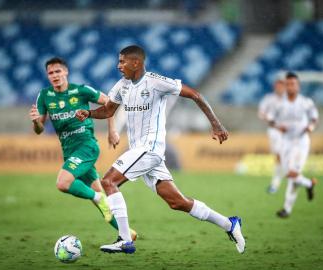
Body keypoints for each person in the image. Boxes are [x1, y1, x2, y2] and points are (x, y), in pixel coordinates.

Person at [76, 45, 245, 254]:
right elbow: (108, 109)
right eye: (118, 61)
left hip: (150, 149)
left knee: (108, 181)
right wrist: (89, 113)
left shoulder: (156, 82)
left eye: (122, 61)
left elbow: (196, 95)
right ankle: (230, 224)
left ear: (136, 63)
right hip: (141, 151)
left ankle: (125, 239)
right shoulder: (122, 86)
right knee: (178, 203)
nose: (118, 66)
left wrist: (216, 124)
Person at [29, 57, 136, 239]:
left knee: (63, 183)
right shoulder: (45, 96)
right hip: (69, 151)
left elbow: (109, 103)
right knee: (102, 201)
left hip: (87, 147)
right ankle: (127, 234)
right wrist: (36, 122)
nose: (54, 75)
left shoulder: (81, 90)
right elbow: (39, 130)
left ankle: (96, 197)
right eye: (50, 73)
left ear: (66, 72)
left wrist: (113, 131)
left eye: (57, 71)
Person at [267, 72, 318, 218]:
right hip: (286, 143)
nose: (290, 86)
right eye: (288, 84)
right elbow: (270, 119)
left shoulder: (306, 102)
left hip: (301, 142)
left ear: (298, 86)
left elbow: (314, 118)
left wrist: (310, 128)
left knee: (293, 174)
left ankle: (287, 209)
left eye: (293, 84)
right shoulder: (279, 104)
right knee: (290, 175)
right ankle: (309, 184)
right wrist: (277, 126)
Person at [258, 79, 285, 194]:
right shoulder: (269, 99)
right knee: (279, 156)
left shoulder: (290, 99)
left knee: (284, 156)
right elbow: (261, 113)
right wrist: (269, 119)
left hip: (288, 132)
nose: (279, 88)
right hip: (274, 131)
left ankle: (276, 182)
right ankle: (277, 181)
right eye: (277, 86)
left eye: (281, 86)